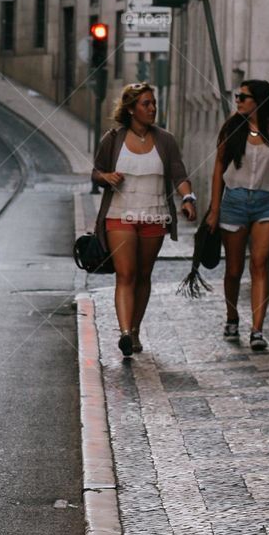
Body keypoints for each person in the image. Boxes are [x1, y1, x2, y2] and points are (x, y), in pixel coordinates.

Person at [92, 82, 197, 358]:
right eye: (146, 104)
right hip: (119, 214)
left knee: (143, 274)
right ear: (130, 109)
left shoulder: (165, 140)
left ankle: (135, 329)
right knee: (125, 274)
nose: (152, 108)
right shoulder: (113, 139)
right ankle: (125, 333)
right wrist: (106, 177)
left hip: (154, 214)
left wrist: (188, 198)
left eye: (153, 103)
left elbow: (179, 175)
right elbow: (96, 173)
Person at [204, 79, 269, 350]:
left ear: (259, 100)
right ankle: (232, 317)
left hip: (266, 203)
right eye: (237, 96)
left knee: (260, 263)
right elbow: (218, 169)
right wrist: (215, 208)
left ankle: (257, 331)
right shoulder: (231, 128)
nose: (238, 101)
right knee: (233, 270)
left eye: (243, 97)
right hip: (233, 202)